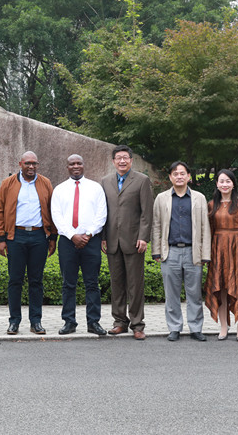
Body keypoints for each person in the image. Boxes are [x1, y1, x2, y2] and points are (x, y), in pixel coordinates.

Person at [0, 151, 57, 335]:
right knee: (15, 280)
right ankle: (14, 321)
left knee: (36, 281)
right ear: (20, 164)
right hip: (16, 237)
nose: (31, 166)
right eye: (28, 163)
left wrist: (53, 237)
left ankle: (35, 321)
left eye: (34, 163)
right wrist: (1, 239)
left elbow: (53, 210)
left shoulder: (45, 183)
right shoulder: (8, 183)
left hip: (39, 237)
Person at [152, 161, 211, 342]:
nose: (179, 176)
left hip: (193, 252)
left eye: (182, 173)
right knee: (171, 294)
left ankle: (196, 328)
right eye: (175, 174)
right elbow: (156, 225)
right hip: (170, 252)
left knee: (195, 294)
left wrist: (205, 254)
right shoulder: (161, 198)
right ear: (170, 177)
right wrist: (156, 251)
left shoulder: (199, 198)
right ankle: (174, 327)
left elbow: (205, 227)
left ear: (188, 176)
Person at [51, 154, 108, 336]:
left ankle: (93, 322)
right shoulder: (59, 190)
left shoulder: (96, 188)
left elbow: (101, 214)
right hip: (67, 242)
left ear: (84, 165)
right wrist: (72, 235)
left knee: (92, 283)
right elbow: (56, 215)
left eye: (79, 163)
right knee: (68, 283)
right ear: (67, 167)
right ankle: (69, 322)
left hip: (91, 241)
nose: (75, 166)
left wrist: (88, 234)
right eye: (72, 164)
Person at [101, 145, 154, 340]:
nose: (122, 161)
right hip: (112, 241)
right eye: (118, 158)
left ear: (131, 160)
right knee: (116, 284)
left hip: (134, 241)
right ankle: (119, 322)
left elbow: (146, 212)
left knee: (135, 285)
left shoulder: (141, 180)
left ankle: (138, 325)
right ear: (113, 161)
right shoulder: (105, 181)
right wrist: (103, 237)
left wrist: (143, 237)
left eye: (125, 158)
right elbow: (103, 212)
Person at [203, 169, 238, 342]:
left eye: (228, 181)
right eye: (221, 181)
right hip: (218, 249)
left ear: (233, 184)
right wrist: (207, 254)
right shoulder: (212, 205)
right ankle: (224, 327)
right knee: (221, 289)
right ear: (217, 184)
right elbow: (209, 231)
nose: (225, 184)